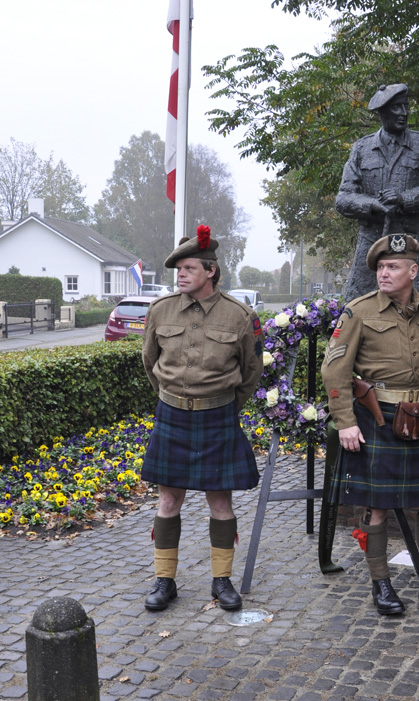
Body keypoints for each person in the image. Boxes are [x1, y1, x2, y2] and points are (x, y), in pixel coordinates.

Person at [322, 233, 419, 616]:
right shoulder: (359, 312)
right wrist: (346, 422)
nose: (384, 273)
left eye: (393, 267)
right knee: (377, 507)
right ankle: (380, 583)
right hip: (376, 420)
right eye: (381, 267)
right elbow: (334, 369)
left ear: (413, 270)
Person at [141, 225, 264, 612]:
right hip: (172, 415)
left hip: (217, 417)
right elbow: (150, 362)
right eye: (177, 269)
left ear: (210, 270)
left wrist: (222, 404)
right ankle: (165, 581)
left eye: (188, 268)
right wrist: (173, 397)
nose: (180, 274)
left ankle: (222, 581)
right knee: (168, 499)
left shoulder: (240, 316)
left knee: (220, 500)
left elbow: (251, 371)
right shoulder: (160, 310)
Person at [336, 83, 419, 301]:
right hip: (370, 249)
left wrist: (404, 198)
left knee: (416, 312)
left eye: (405, 106)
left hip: (408, 244)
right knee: (357, 313)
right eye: (396, 108)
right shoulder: (362, 149)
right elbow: (344, 198)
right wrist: (371, 204)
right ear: (382, 112)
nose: (404, 113)